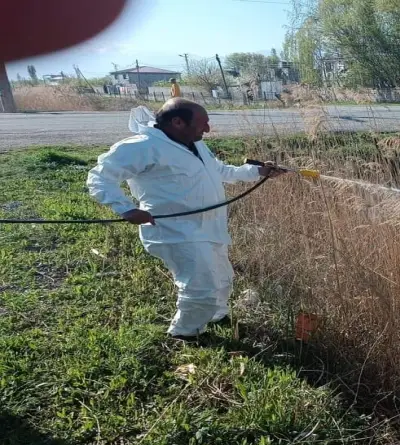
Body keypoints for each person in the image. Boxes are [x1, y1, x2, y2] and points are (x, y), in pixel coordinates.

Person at [86, 98, 285, 340]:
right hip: (175, 231)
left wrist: (257, 171)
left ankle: (216, 316)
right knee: (200, 287)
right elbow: (100, 177)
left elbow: (219, 170)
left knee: (223, 279)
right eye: (203, 123)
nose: (208, 129)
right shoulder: (142, 146)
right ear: (177, 122)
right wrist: (125, 209)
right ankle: (186, 333)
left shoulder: (194, 143)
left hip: (210, 227)